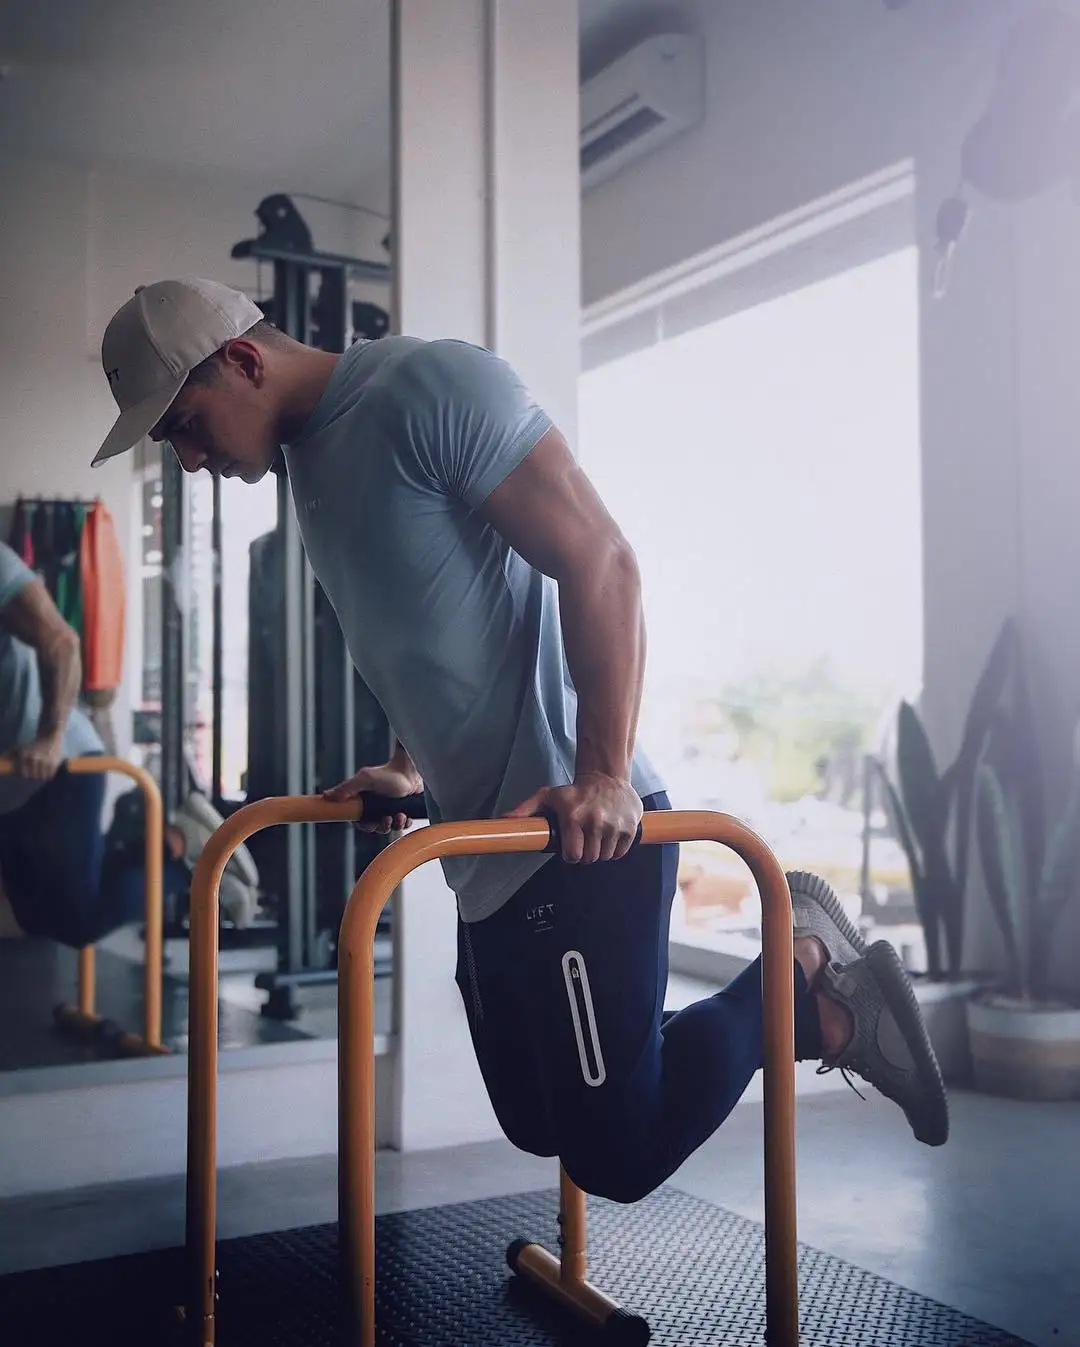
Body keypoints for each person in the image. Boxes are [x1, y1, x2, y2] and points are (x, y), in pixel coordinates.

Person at [91, 278, 948, 1201]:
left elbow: (602, 559)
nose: (188, 458)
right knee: (536, 1118)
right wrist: (408, 765)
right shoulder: (309, 466)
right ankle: (814, 1007)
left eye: (185, 424)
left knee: (615, 1155)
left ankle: (802, 971)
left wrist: (605, 773)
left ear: (243, 360)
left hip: (577, 837)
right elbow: (423, 630)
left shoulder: (428, 388)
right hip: (488, 849)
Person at [0, 540, 194, 946]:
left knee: (78, 922)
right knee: (33, 917)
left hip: (60, 764)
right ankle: (149, 841)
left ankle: (191, 860)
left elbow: (62, 643)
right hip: (10, 783)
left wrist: (50, 739)